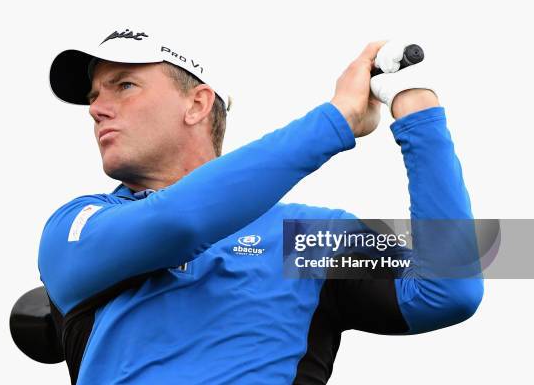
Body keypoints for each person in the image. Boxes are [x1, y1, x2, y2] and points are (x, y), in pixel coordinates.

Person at [38, 27, 483, 384]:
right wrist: (335, 120)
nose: (97, 109)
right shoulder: (76, 224)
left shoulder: (303, 237)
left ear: (197, 104)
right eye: (95, 96)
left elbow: (450, 288)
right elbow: (177, 222)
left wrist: (419, 112)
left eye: (124, 85)